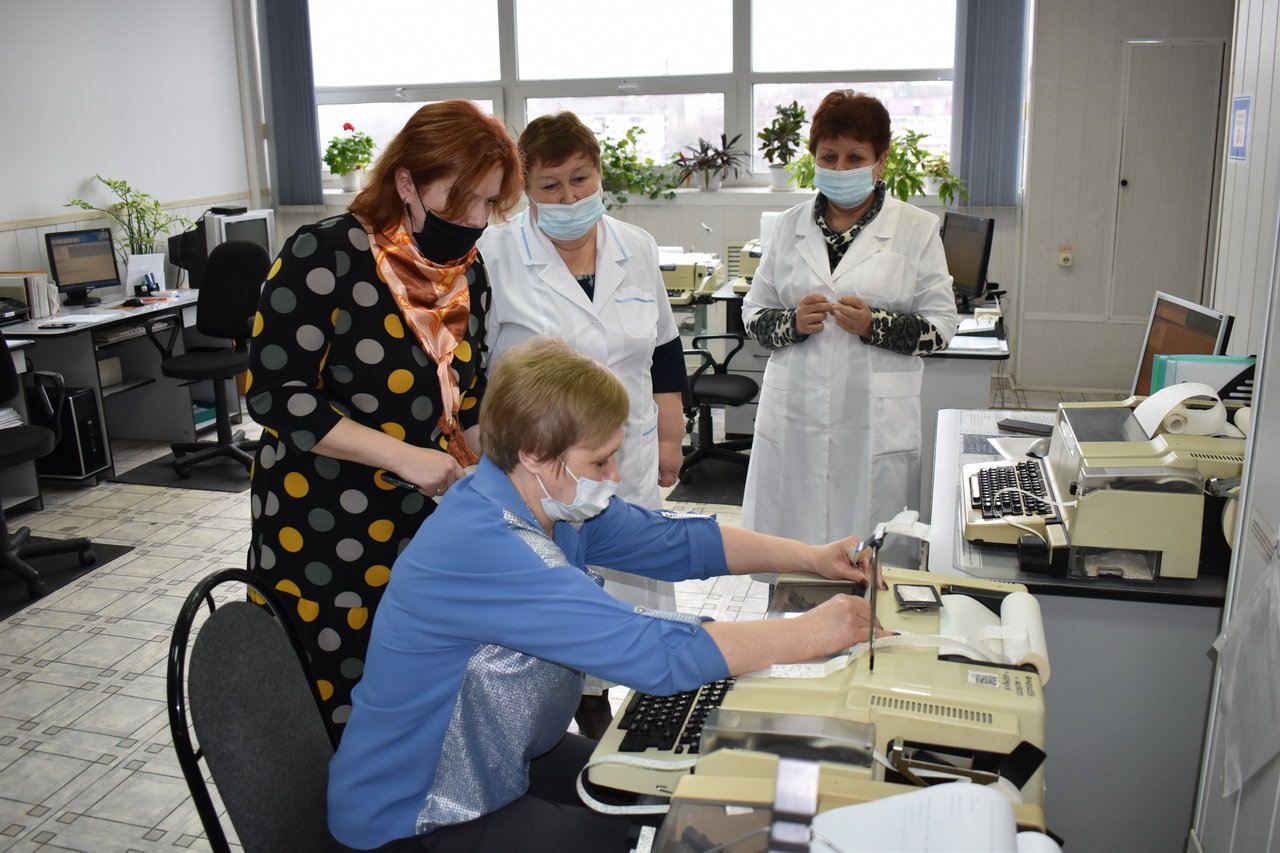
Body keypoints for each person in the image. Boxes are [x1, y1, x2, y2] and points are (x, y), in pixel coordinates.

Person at [327, 336, 881, 852]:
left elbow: (676, 542)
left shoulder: (545, 503)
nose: (613, 476)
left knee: (660, 795)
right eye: (599, 460)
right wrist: (811, 631)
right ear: (535, 453)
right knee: (625, 830)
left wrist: (811, 557)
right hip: (414, 807)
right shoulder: (486, 544)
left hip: (499, 755)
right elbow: (651, 653)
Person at [245, 100, 523, 735]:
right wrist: (406, 457)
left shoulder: (465, 271)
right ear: (406, 182)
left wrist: (501, 479)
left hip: (426, 523)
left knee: (420, 690)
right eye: (462, 203)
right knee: (338, 698)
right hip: (324, 522)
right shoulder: (327, 255)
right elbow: (276, 394)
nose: (477, 221)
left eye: (489, 203)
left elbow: (468, 399)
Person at [479, 111, 688, 736]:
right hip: (539, 468)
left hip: (628, 455)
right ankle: (570, 715)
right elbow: (468, 370)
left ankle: (607, 706)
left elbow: (667, 349)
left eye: (580, 179)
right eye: (550, 186)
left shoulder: (637, 246)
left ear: (599, 175)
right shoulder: (493, 253)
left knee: (630, 596)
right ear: (525, 190)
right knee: (553, 607)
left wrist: (674, 436)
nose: (570, 197)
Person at [741, 89, 958, 558]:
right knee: (793, 566)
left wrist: (874, 325)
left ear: (881, 160)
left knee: (872, 563)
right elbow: (753, 314)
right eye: (829, 156)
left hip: (872, 425)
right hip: (795, 417)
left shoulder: (917, 229)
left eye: (855, 157)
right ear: (814, 158)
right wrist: (793, 322)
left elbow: (941, 327)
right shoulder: (787, 226)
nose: (840, 169)